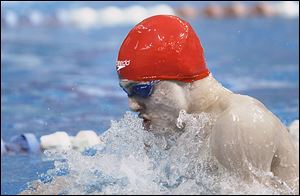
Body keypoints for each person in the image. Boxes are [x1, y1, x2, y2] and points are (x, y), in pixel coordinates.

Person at [116, 15, 299, 193]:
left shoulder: (240, 123)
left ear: (182, 80)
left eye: (140, 90)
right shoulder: (184, 130)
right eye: (126, 91)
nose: (132, 105)